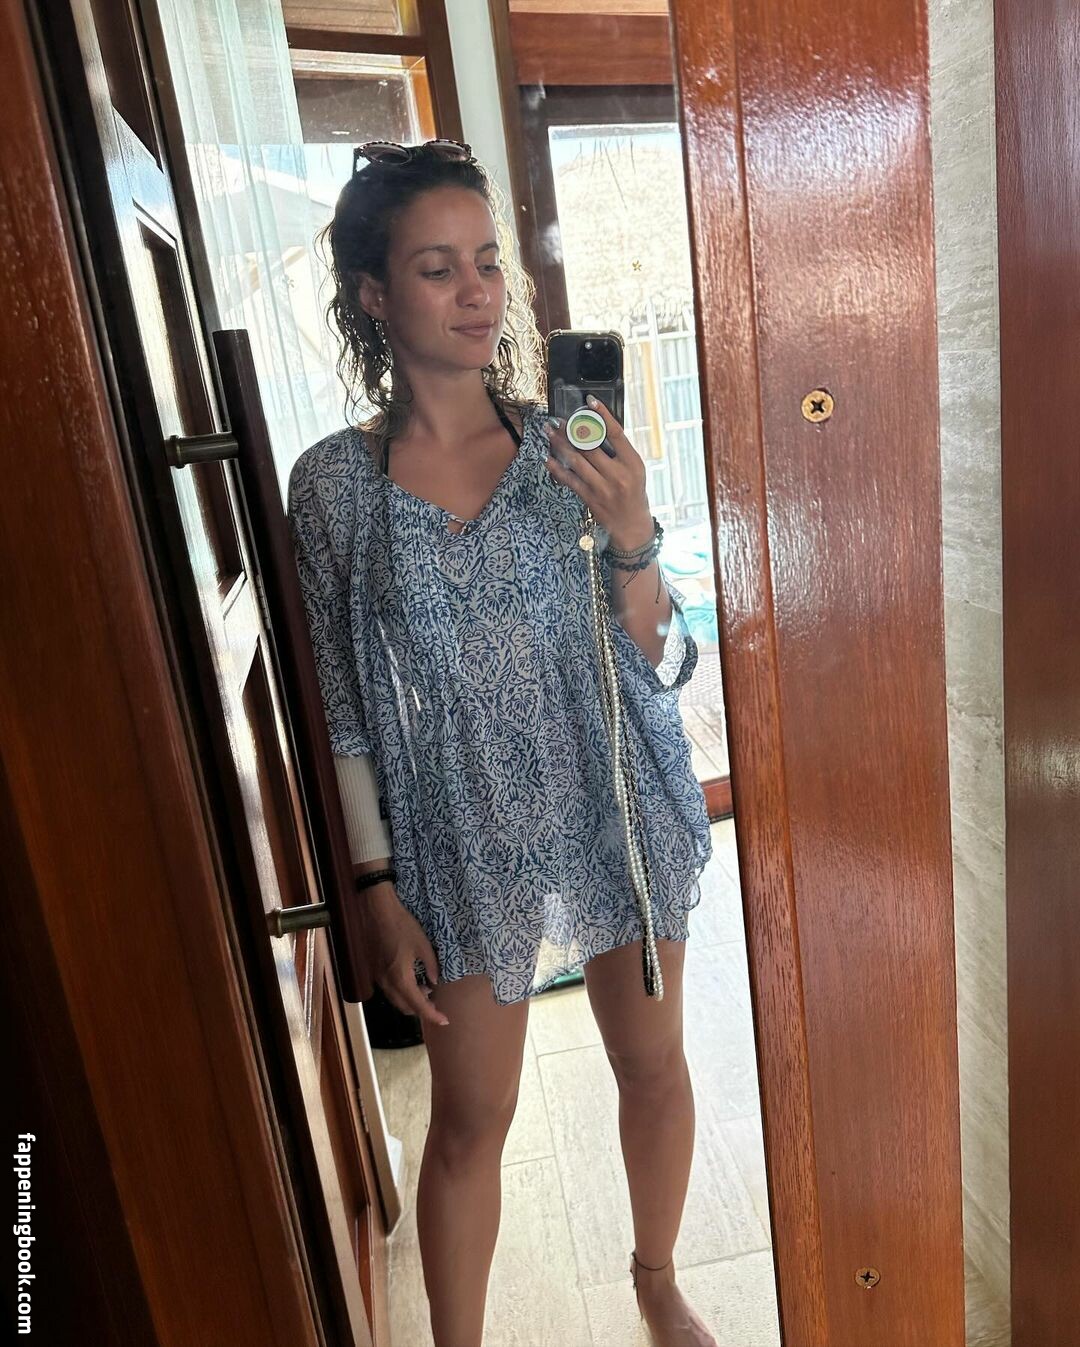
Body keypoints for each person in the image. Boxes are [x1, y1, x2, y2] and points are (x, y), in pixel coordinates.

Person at [288, 138, 716, 1347]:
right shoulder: (335, 487)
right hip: (461, 837)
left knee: (654, 1066)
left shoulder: (567, 449)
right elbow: (340, 708)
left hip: (615, 802)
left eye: (487, 262)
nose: (478, 292)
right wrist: (374, 887)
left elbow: (658, 658)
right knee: (472, 1119)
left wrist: (631, 531)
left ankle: (655, 1278)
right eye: (438, 269)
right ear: (375, 296)